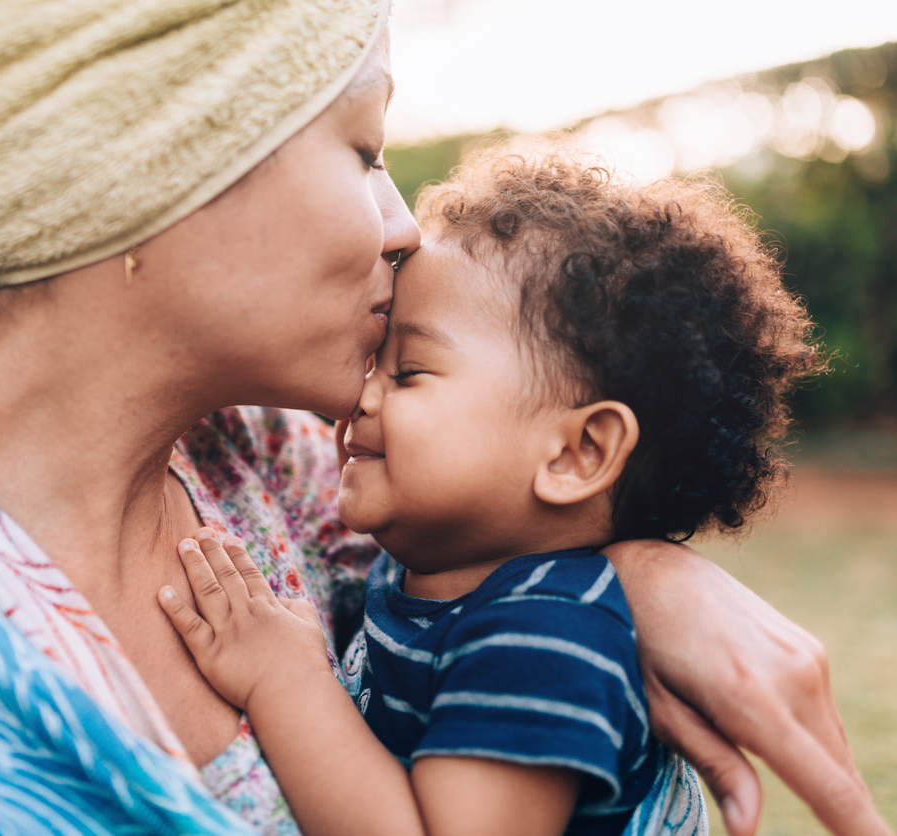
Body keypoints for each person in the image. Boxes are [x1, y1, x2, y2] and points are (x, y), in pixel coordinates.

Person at [0, 0, 886, 833]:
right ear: (153, 161)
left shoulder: (268, 466)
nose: (402, 226)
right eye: (361, 150)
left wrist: (636, 566)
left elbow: (502, 534)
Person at [156, 147, 833, 836]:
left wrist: (286, 681)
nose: (359, 397)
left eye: (410, 370)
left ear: (577, 453)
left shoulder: (544, 637)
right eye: (373, 364)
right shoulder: (426, 574)